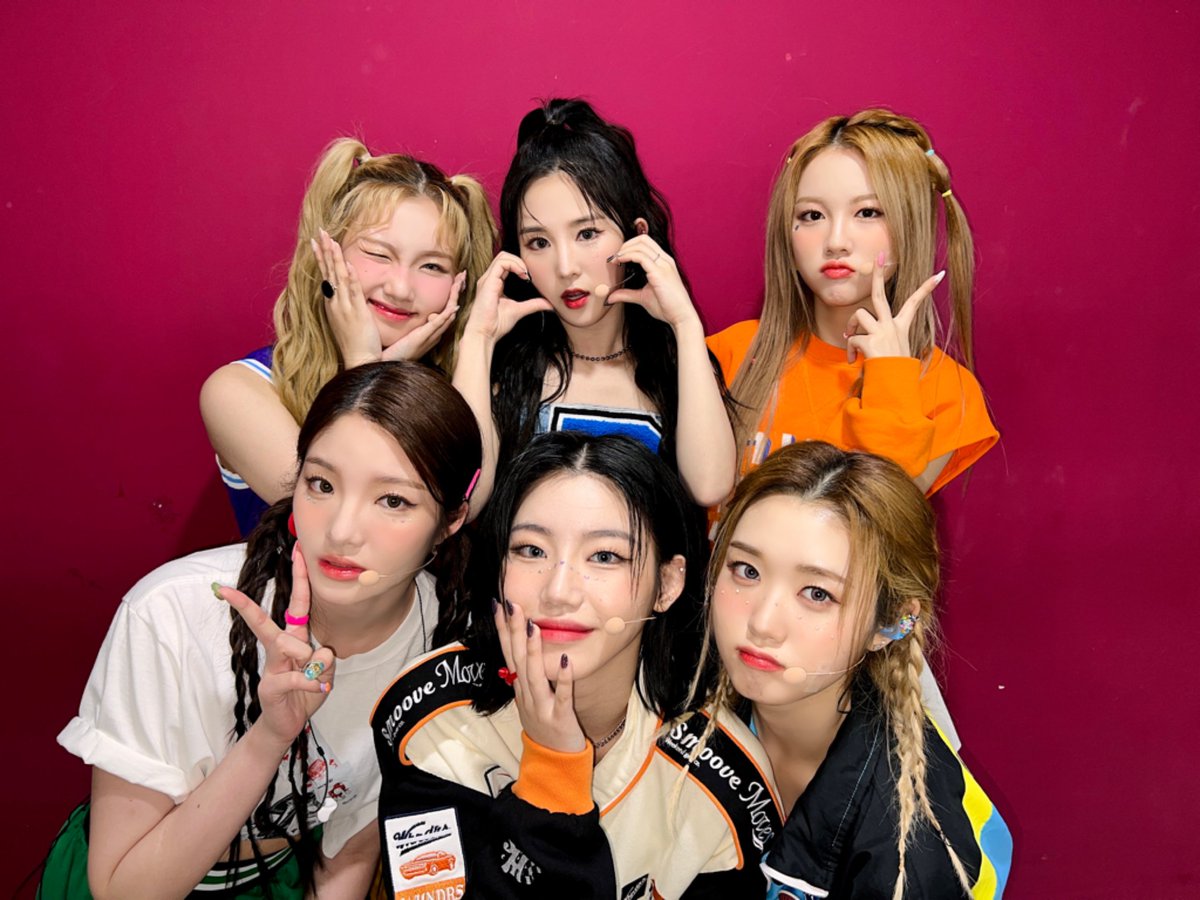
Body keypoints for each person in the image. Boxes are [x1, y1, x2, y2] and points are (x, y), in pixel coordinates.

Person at [43, 362, 482, 899]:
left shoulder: (442, 641)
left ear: (451, 519)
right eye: (321, 484)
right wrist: (269, 738)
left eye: (393, 500)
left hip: (281, 878)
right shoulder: (171, 614)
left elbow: (350, 848)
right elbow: (123, 889)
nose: (342, 530)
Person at [371, 433, 782, 898]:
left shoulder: (726, 785)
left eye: (605, 556)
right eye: (531, 550)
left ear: (667, 584)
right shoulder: (430, 718)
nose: (558, 591)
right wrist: (553, 771)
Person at [696, 441, 1012, 898]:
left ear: (891, 622)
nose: (762, 623)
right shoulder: (678, 699)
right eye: (746, 570)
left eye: (817, 594)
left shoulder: (908, 860)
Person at [201, 138, 497, 535]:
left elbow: (467, 504)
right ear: (327, 254)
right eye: (378, 254)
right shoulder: (238, 390)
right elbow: (336, 522)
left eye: (431, 266)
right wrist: (366, 366)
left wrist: (477, 336)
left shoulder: (464, 389)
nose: (400, 288)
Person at [453, 98, 735, 513]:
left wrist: (685, 324)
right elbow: (466, 500)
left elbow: (710, 487)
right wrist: (477, 340)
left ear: (636, 236)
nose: (565, 267)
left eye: (586, 234)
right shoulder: (508, 374)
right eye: (539, 242)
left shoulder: (675, 368)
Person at [707, 109, 997, 495]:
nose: (836, 241)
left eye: (867, 212)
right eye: (812, 215)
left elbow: (879, 516)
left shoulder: (943, 390)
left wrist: (890, 375)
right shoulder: (728, 355)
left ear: (911, 228)